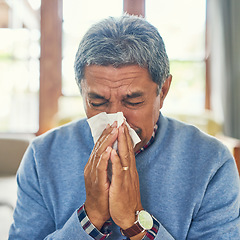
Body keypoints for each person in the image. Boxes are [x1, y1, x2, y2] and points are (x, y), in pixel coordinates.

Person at [9, 14, 240, 240]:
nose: (115, 120)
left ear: (163, 92)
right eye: (97, 102)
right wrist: (90, 218)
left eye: (133, 102)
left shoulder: (212, 163)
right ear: (82, 92)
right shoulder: (42, 157)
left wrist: (135, 223)